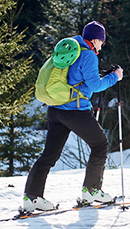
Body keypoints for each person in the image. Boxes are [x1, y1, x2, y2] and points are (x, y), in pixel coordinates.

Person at [23, 21, 123, 211]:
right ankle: (92, 190)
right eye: (101, 41)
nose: (102, 45)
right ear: (95, 39)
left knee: (49, 155)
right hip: (75, 112)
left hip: (55, 111)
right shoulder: (88, 56)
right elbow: (95, 86)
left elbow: (77, 79)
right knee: (100, 144)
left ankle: (32, 197)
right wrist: (115, 76)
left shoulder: (70, 50)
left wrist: (101, 76)